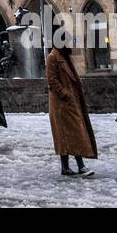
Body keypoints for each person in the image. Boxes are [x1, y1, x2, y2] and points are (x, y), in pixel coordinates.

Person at [46, 46, 97, 177]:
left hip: (69, 102)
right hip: (61, 104)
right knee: (68, 134)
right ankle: (78, 166)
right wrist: (65, 94)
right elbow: (51, 80)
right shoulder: (53, 57)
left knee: (70, 134)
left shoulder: (64, 56)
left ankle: (67, 167)